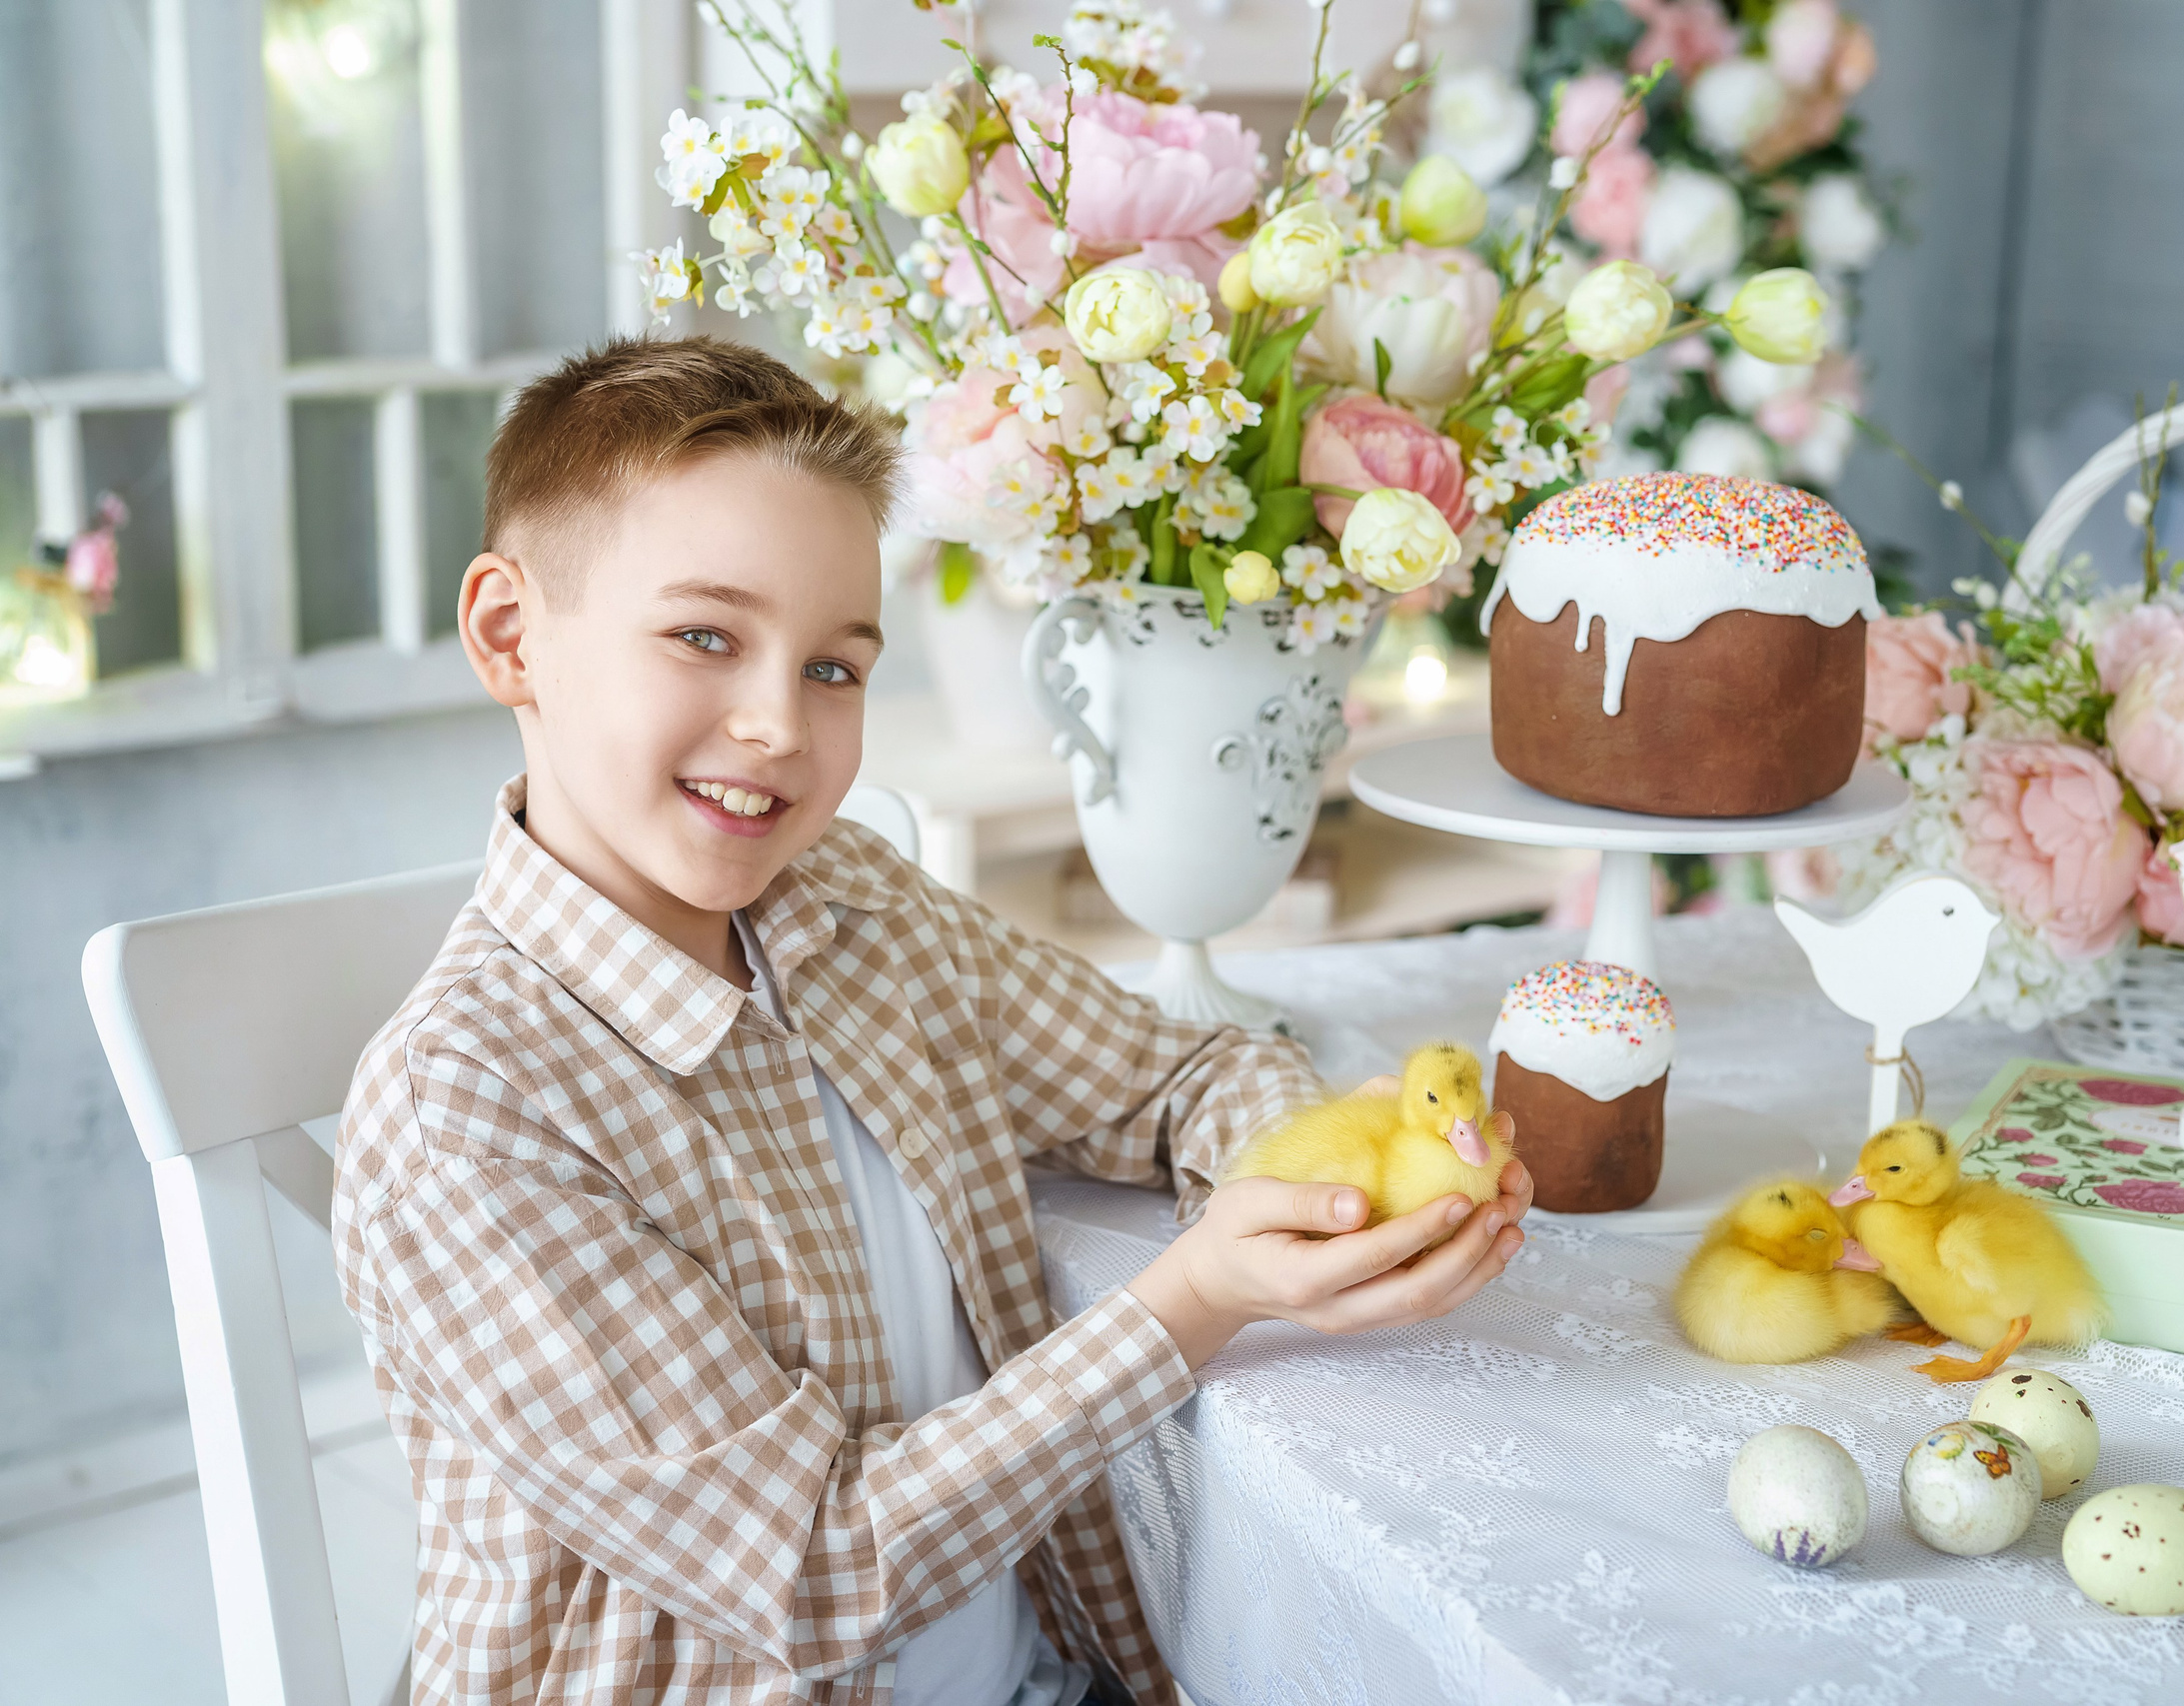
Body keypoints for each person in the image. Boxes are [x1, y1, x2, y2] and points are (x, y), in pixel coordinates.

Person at [332, 335, 1531, 1705]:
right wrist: (1191, 1302)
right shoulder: (468, 1118)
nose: (779, 724)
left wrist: (1331, 1201)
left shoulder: (847, 907)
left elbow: (1180, 1069)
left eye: (835, 667)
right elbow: (813, 1570)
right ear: (510, 635)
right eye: (704, 637)